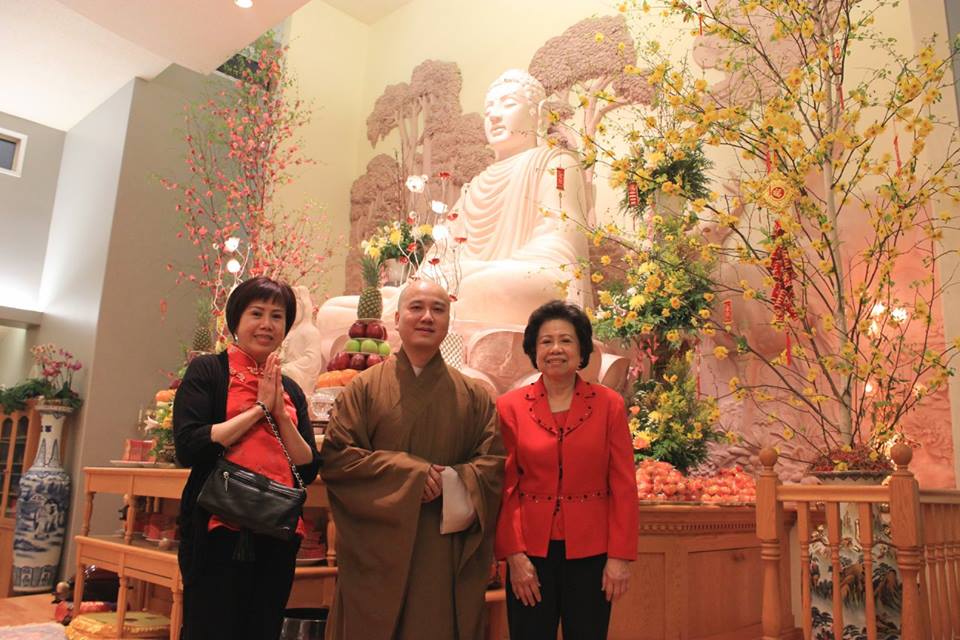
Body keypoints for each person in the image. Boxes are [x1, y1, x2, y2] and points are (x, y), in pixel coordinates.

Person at [314, 68, 591, 335]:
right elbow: (442, 253)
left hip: (512, 279)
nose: (494, 116)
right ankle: (410, 311)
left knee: (482, 287)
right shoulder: (476, 185)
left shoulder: (557, 163)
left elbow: (558, 245)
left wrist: (481, 270)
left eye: (508, 104)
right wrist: (417, 286)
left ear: (538, 113)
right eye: (488, 110)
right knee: (332, 310)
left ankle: (425, 311)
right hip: (464, 283)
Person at [320, 279, 505, 640]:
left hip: (440, 549)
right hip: (376, 546)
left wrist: (450, 482)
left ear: (449, 321)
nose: (427, 317)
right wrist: (411, 475)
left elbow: (492, 466)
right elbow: (338, 459)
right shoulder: (363, 388)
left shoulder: (474, 396)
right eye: (416, 307)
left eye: (438, 309)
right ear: (396, 318)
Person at [173, 277, 321, 640]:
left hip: (277, 529)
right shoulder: (209, 371)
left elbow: (307, 467)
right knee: (210, 628)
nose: (267, 324)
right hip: (218, 527)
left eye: (277, 316)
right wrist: (259, 409)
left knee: (263, 628)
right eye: (257, 313)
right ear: (236, 320)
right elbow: (189, 445)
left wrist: (280, 414)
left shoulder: (290, 388)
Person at [495, 300, 638, 640]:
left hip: (593, 553)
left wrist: (619, 557)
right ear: (534, 350)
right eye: (546, 341)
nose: (555, 349)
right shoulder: (509, 407)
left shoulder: (609, 405)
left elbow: (623, 485)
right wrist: (513, 555)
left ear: (582, 349)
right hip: (529, 554)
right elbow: (505, 487)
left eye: (566, 340)